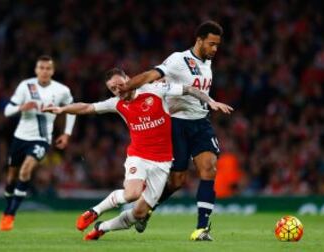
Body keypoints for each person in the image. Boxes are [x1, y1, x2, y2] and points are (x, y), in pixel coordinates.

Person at [43, 68, 232, 240]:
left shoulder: (154, 91)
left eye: (120, 84)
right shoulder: (116, 103)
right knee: (132, 193)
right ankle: (94, 211)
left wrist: (210, 101)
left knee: (140, 213)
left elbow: (188, 89)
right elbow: (86, 107)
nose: (118, 90)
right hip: (139, 157)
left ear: (129, 80)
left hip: (163, 162)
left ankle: (102, 228)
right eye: (113, 88)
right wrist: (62, 109)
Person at [120, 20, 226, 241]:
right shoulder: (179, 59)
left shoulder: (207, 63)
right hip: (176, 125)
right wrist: (129, 86)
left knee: (209, 168)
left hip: (201, 123)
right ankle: (147, 207)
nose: (215, 49)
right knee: (177, 182)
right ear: (199, 40)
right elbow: (152, 74)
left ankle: (202, 229)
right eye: (212, 44)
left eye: (217, 45)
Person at [0, 55, 76, 231]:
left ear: (53, 71)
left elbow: (72, 110)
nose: (44, 71)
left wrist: (66, 133)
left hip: (42, 139)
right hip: (20, 138)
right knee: (11, 179)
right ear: (36, 70)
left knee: (26, 170)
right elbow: (7, 110)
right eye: (41, 68)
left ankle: (10, 214)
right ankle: (9, 203)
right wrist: (21, 108)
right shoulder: (26, 86)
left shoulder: (62, 90)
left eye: (48, 68)